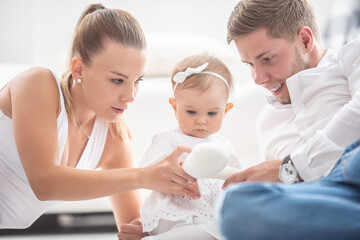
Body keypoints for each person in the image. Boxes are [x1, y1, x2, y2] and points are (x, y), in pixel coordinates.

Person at [0, 3, 197, 230]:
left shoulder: (112, 137)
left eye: (137, 81)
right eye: (117, 80)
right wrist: (146, 176)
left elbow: (132, 224)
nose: (130, 96)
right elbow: (45, 184)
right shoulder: (37, 84)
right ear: (79, 69)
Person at [216, 0, 360, 239]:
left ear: (305, 40)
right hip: (331, 204)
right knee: (233, 206)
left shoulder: (352, 57)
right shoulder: (266, 123)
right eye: (250, 64)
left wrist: (293, 167)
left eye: (267, 59)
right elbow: (284, 200)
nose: (258, 78)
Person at [136, 54, 241, 240]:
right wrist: (180, 175)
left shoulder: (223, 145)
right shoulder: (169, 139)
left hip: (208, 214)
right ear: (175, 107)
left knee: (220, 229)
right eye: (191, 111)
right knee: (211, 232)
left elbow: (235, 176)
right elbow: (147, 171)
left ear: (226, 110)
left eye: (212, 113)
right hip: (175, 212)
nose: (201, 120)